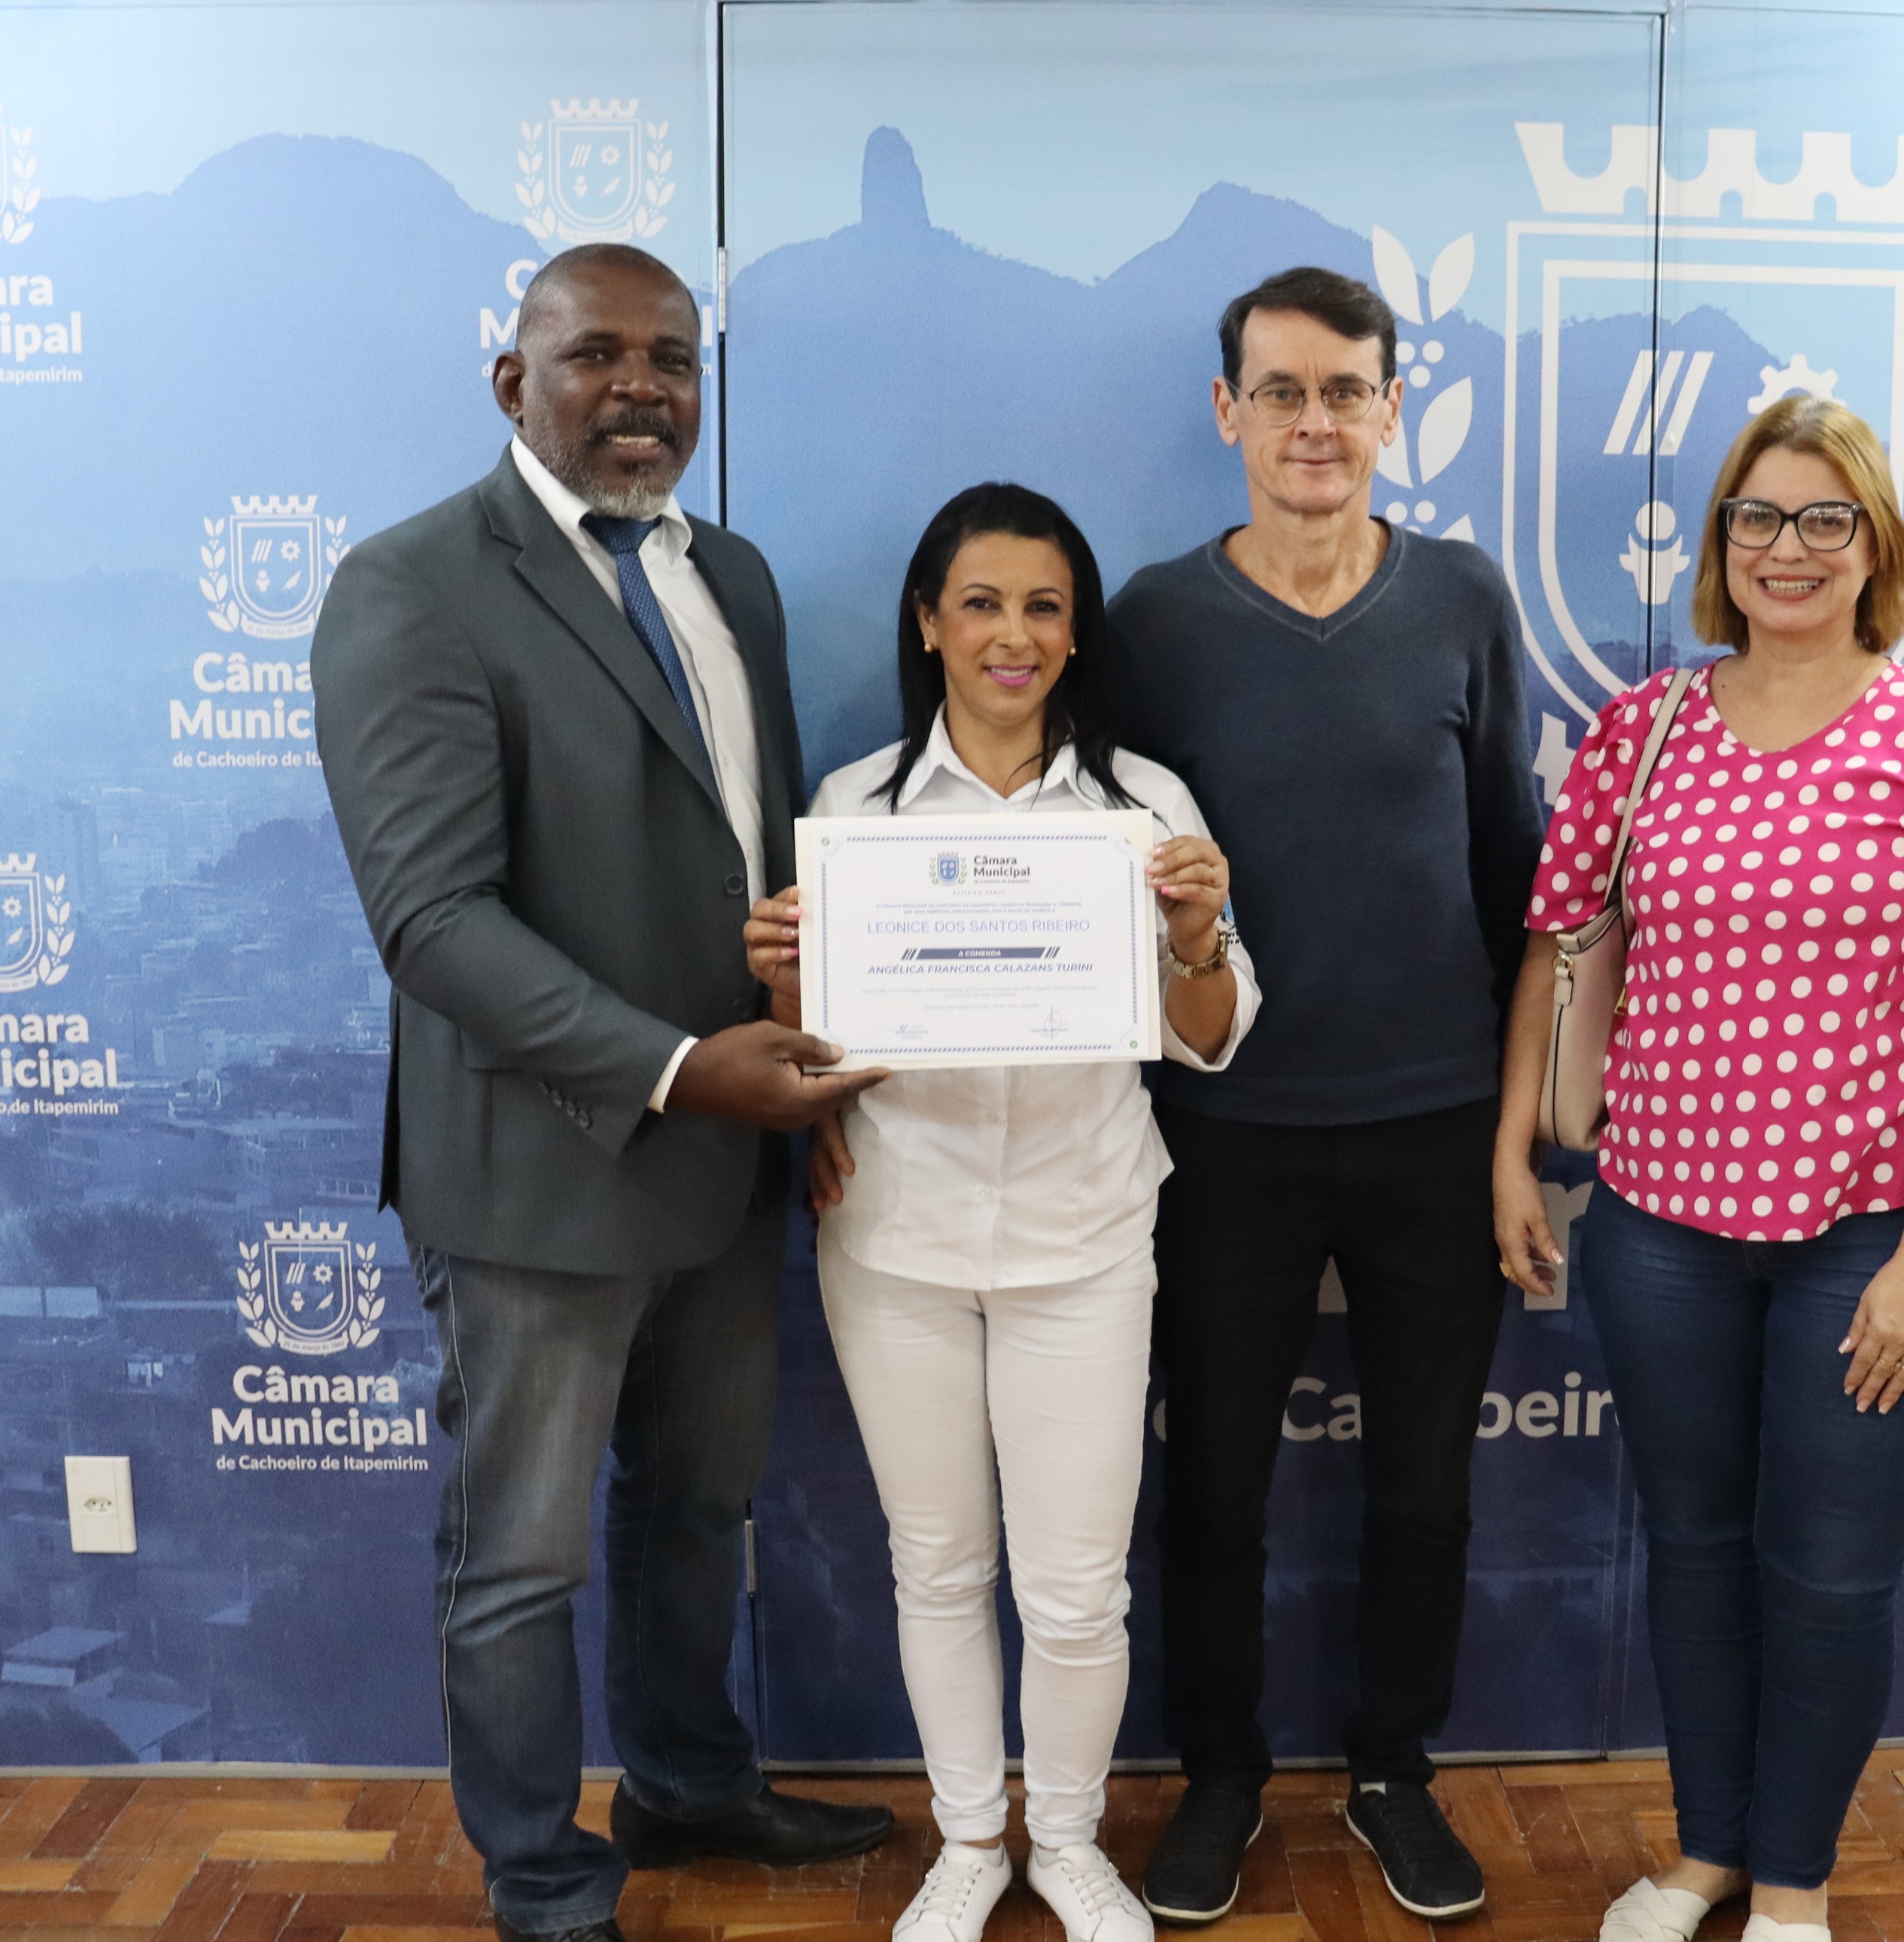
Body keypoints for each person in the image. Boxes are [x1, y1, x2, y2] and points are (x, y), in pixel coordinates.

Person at [313, 242, 896, 1942]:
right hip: (541, 1168)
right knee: (523, 1558)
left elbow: (759, 865)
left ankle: (687, 1785)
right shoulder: (413, 583)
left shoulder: (734, 577)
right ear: (516, 381)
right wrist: (676, 1068)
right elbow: (433, 920)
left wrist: (796, 1042)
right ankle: (543, 1876)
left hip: (731, 1156)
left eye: (673, 359)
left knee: (697, 1508)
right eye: (595, 355)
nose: (640, 387)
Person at [1492, 397, 1904, 1942]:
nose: (1784, 548)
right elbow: (1558, 950)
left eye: (1822, 519)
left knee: (1829, 1576)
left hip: (1870, 1235)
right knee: (1696, 1550)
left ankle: (1793, 1877)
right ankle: (1709, 1851)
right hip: (1661, 1230)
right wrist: (1514, 1151)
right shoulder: (1643, 731)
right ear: (1719, 539)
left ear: (1875, 547)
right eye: (1756, 514)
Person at [743, 482, 1261, 1942]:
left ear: (1077, 630)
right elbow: (813, 1048)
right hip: (893, 1237)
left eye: (1043, 606)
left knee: (1077, 1590)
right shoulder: (854, 811)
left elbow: (1212, 1036)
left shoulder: (1142, 810)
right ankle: (971, 1839)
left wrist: (1195, 930)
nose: (1012, 635)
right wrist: (783, 973)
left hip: (1085, 1237)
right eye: (979, 603)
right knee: (938, 1567)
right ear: (928, 622)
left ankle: (1071, 1841)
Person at [1104, 266, 1544, 1925]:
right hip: (1221, 1135)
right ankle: (1219, 1773)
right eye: (1280, 390)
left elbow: (1513, 875)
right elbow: (1107, 877)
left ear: (1390, 409)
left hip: (1436, 1125)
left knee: (1424, 1485)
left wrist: (1515, 1133)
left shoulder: (1465, 599)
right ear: (1228, 410)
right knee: (1214, 1486)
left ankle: (1393, 1769)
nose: (1313, 422)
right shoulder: (1151, 621)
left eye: (1345, 390)